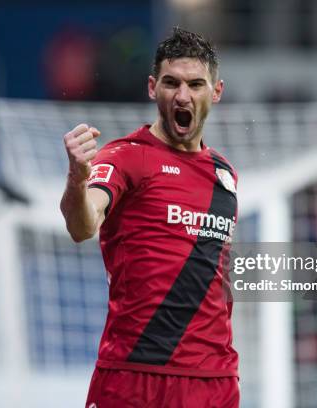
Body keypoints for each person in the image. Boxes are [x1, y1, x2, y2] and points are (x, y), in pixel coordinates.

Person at [61, 27, 240, 407]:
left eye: (195, 84)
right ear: (151, 87)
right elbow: (83, 225)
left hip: (213, 381)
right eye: (171, 82)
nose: (182, 95)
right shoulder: (126, 156)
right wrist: (78, 178)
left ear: (216, 91)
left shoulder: (226, 176)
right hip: (133, 376)